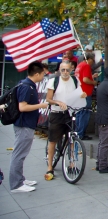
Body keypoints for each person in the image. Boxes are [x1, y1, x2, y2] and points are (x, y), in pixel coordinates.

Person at [9, 62, 49, 193]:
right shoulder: (27, 87)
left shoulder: (27, 85)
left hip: (26, 125)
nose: (44, 76)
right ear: (36, 74)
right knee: (19, 154)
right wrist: (40, 106)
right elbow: (23, 107)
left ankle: (20, 179)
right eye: (43, 74)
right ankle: (16, 184)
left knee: (21, 154)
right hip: (23, 125)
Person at [45, 61, 87, 180]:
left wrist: (82, 95)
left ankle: (72, 164)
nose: (65, 72)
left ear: (71, 70)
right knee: (53, 140)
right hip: (57, 113)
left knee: (72, 139)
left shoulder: (75, 80)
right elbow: (48, 99)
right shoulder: (53, 81)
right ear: (59, 70)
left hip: (69, 113)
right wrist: (58, 102)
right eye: (63, 70)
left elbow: (78, 94)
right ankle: (49, 167)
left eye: (67, 70)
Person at [74, 52, 99, 140]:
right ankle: (81, 133)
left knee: (79, 113)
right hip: (86, 93)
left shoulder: (79, 65)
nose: (93, 62)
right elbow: (85, 79)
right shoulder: (86, 66)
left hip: (80, 92)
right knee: (85, 113)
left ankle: (78, 132)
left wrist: (91, 76)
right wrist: (94, 82)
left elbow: (82, 77)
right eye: (93, 60)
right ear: (89, 59)